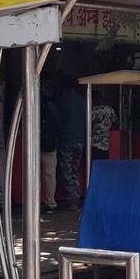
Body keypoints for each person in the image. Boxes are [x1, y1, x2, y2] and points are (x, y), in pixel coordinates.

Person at [55, 76, 86, 210]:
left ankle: (72, 200)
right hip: (79, 139)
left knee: (67, 171)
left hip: (67, 139)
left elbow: (59, 120)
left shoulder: (63, 101)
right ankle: (76, 197)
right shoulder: (81, 101)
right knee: (75, 170)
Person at [40, 87, 61, 213]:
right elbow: (58, 124)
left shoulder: (31, 105)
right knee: (50, 175)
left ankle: (33, 202)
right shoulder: (52, 107)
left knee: (32, 175)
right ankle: (51, 202)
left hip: (35, 144)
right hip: (50, 145)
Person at [91, 95, 117, 162]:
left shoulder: (95, 110)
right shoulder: (110, 110)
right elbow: (115, 122)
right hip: (106, 144)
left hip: (95, 143)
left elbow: (88, 123)